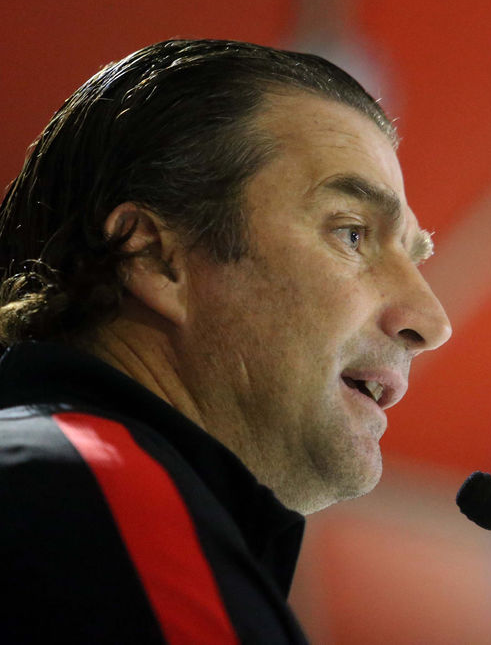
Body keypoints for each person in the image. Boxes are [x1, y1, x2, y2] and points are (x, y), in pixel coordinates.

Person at [0, 39, 451, 642]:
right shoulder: (93, 500)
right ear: (154, 256)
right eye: (351, 233)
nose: (432, 321)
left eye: (414, 257)